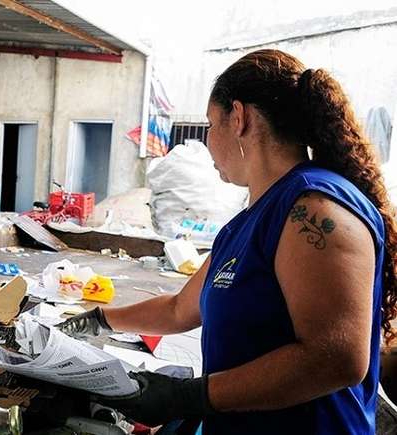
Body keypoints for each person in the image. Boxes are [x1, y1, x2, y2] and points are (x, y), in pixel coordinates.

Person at [59, 49, 397, 434]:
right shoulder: (247, 222)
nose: (206, 140)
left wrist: (190, 396)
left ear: (238, 118)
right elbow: (179, 309)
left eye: (209, 123)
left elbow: (337, 359)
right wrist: (97, 321)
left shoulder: (315, 209)